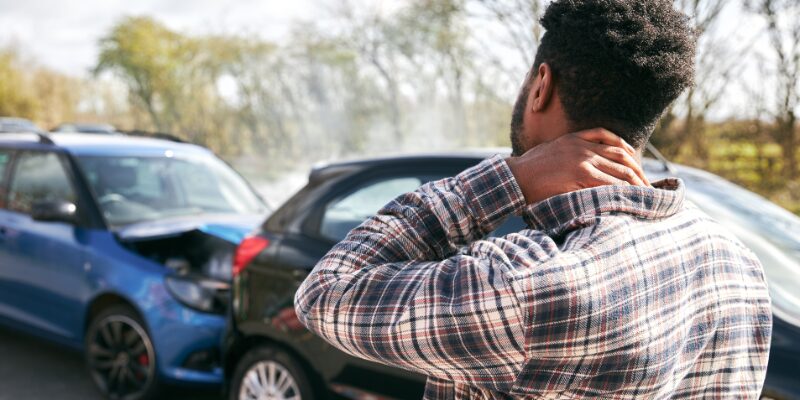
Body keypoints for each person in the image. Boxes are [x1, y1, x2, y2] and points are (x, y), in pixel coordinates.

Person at [294, 0, 772, 398]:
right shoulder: (738, 267)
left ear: (541, 85)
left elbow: (327, 292)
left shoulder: (526, 284)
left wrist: (510, 178)